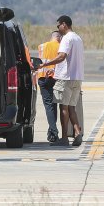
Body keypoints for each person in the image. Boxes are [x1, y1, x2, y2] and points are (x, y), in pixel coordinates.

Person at [38, 15, 84, 146]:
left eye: (58, 25)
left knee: (63, 108)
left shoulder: (66, 39)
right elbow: (69, 59)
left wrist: (44, 65)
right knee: (72, 108)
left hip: (66, 78)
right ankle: (77, 132)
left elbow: (61, 57)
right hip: (77, 78)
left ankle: (64, 138)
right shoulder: (78, 38)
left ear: (64, 24)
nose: (58, 28)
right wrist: (55, 70)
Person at [37, 31, 61, 143]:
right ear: (59, 38)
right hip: (55, 78)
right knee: (54, 105)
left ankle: (52, 132)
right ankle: (53, 131)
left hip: (43, 78)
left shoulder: (41, 46)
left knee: (48, 106)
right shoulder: (61, 46)